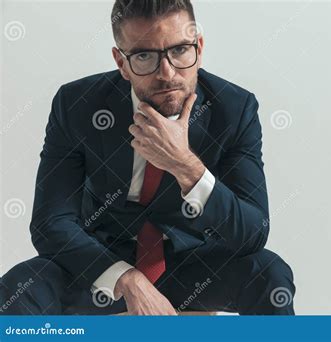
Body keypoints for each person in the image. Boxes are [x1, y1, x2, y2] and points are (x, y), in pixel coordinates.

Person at [0, 0, 295, 315]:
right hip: (104, 260)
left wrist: (185, 164)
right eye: (144, 56)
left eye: (180, 50)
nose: (167, 74)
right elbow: (51, 222)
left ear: (200, 46)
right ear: (121, 62)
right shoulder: (77, 105)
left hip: (196, 262)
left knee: (270, 275)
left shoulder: (234, 109)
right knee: (20, 287)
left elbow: (252, 234)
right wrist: (125, 278)